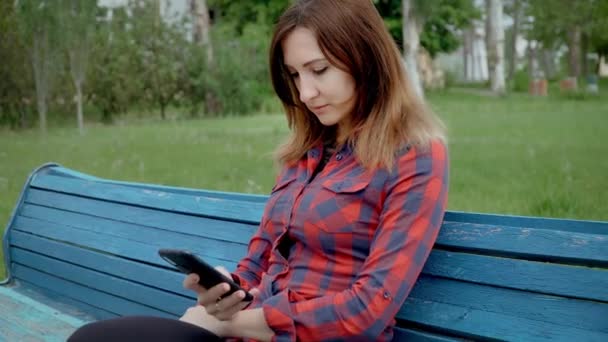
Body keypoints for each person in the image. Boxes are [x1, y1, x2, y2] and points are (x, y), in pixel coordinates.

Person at [68, 0, 448, 341]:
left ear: (367, 59)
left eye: (318, 70)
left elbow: (368, 310)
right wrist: (227, 294)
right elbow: (258, 261)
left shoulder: (415, 155)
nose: (305, 93)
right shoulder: (306, 155)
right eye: (295, 75)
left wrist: (233, 323)